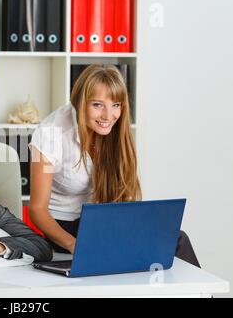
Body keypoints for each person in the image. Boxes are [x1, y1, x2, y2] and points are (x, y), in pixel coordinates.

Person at [28, 64, 200, 267]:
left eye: (115, 105)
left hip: (102, 219)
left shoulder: (115, 131)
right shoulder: (51, 134)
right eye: (98, 105)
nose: (108, 116)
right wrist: (74, 245)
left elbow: (122, 194)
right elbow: (37, 210)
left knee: (176, 240)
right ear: (80, 102)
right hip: (64, 228)